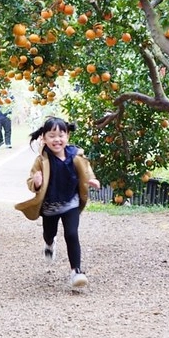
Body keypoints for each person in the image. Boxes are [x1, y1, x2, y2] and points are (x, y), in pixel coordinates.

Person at [14, 118, 101, 289]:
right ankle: (49, 244)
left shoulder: (75, 155)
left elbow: (86, 170)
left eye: (61, 135)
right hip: (50, 207)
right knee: (49, 232)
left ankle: (76, 271)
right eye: (52, 136)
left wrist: (92, 180)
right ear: (44, 138)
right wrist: (36, 182)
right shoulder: (41, 160)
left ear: (67, 136)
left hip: (71, 203)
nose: (57, 140)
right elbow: (31, 181)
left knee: (72, 234)